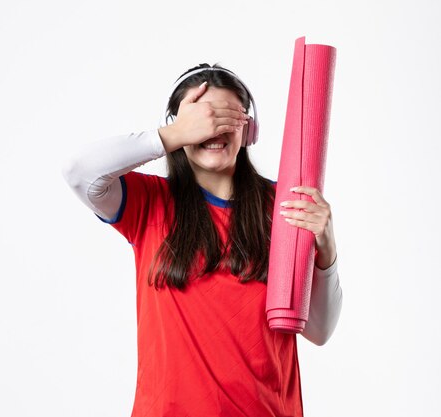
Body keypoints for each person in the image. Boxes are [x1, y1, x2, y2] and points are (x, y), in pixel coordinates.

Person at [62, 63, 343, 417]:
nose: (213, 130)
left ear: (249, 130)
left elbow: (318, 330)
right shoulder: (147, 202)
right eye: (201, 120)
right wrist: (172, 135)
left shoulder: (283, 205)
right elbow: (77, 170)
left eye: (226, 119)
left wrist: (326, 253)